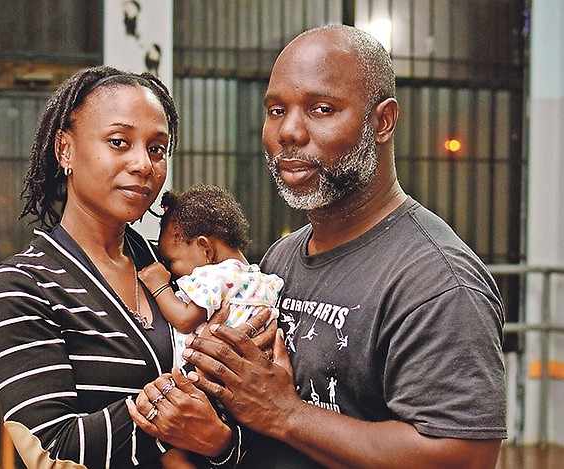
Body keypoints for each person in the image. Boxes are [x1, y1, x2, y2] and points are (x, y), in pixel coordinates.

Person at [179, 25, 507, 468]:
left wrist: (285, 415)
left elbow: (462, 459)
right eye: (276, 110)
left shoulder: (436, 281)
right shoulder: (281, 259)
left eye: (321, 109)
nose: (288, 132)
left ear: (382, 121)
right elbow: (255, 411)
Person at [0, 66, 272, 469]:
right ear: (65, 149)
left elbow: (248, 420)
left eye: (157, 149)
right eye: (119, 142)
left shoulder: (172, 268)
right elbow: (52, 452)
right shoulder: (24, 285)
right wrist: (181, 400)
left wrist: (220, 442)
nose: (143, 164)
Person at [137, 184, 284, 368]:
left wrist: (158, 286)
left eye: (172, 261)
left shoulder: (214, 278)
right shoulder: (261, 280)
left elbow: (184, 320)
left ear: (205, 248)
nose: (169, 269)